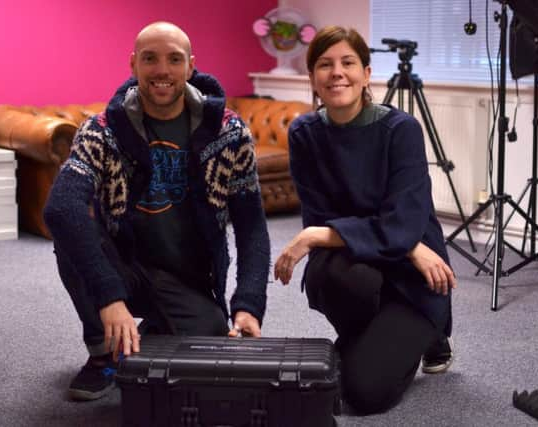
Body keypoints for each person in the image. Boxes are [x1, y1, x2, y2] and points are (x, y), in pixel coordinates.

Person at [43, 21, 270, 401]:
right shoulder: (101, 130)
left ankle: (153, 332)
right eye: (150, 59)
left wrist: (248, 304)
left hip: (186, 277)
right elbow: (60, 208)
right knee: (73, 232)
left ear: (191, 66)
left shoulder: (228, 132)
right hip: (122, 266)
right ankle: (102, 353)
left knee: (209, 352)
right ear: (133, 65)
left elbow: (251, 227)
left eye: (174, 59)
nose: (162, 70)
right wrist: (109, 296)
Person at [274, 26, 456, 415]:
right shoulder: (304, 133)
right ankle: (373, 339)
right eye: (324, 64)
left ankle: (429, 331)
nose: (337, 72)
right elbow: (323, 216)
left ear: (367, 74)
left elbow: (404, 222)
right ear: (312, 79)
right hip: (360, 262)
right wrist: (325, 232)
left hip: (414, 274)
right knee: (335, 276)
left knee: (363, 393)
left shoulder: (401, 129)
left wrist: (315, 235)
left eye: (347, 62)